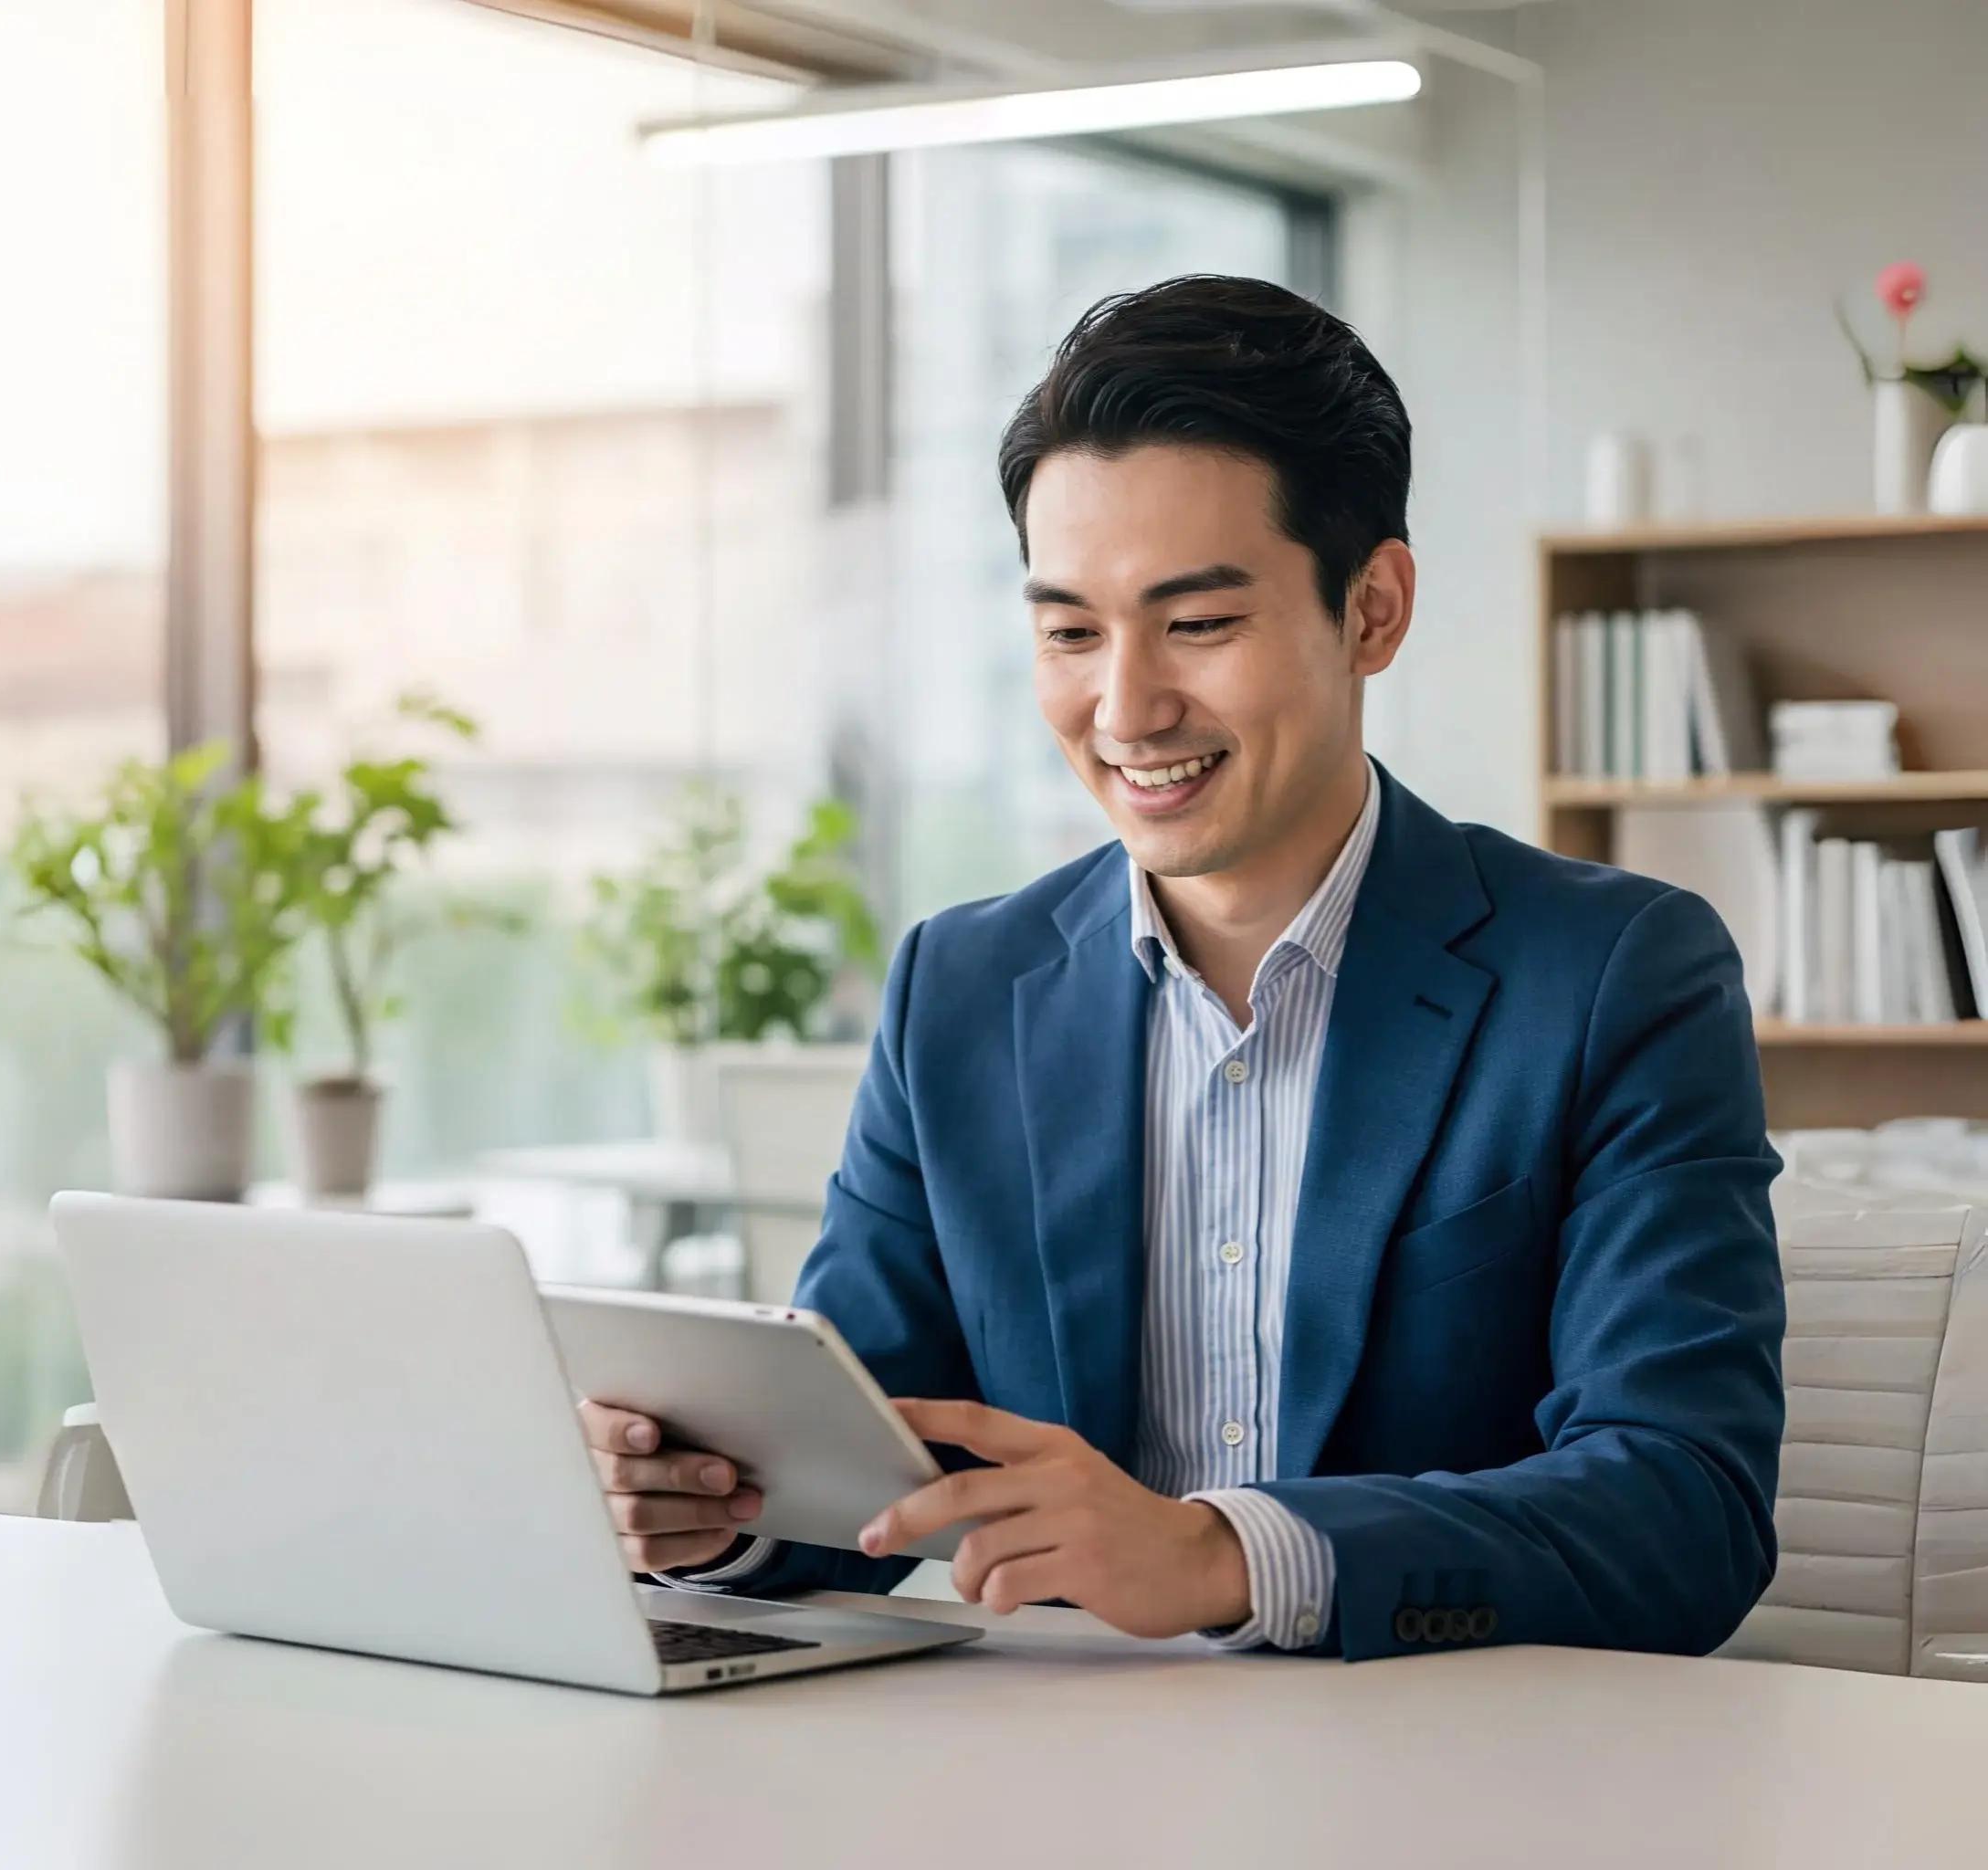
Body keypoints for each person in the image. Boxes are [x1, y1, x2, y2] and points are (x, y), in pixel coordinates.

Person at [584, 275, 1784, 1659]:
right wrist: (709, 1506)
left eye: (1198, 624)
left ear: (1374, 610)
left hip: (1451, 1776)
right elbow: (864, 1465)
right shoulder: (962, 990)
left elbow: (1684, 1508)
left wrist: (1226, 1555)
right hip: (1067, 1778)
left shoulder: (1615, 975)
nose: (1127, 706)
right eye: (1071, 632)